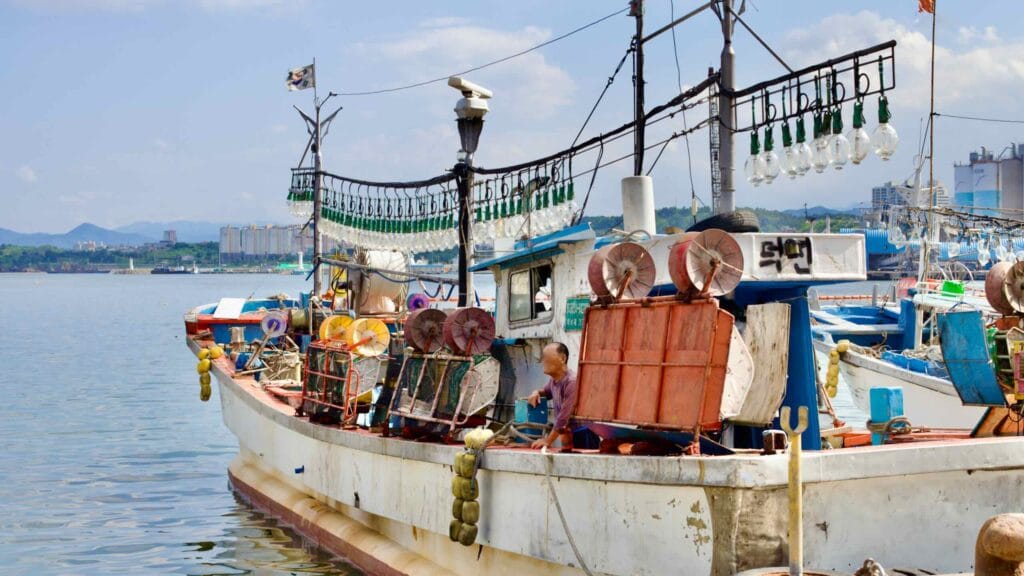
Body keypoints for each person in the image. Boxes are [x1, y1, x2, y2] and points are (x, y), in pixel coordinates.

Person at [527, 342, 577, 451]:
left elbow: (564, 418)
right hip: (567, 438)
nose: (543, 361)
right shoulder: (554, 381)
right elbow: (546, 391)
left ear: (563, 358)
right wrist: (536, 392)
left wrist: (547, 441)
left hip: (581, 437)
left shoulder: (572, 382)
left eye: (547, 357)